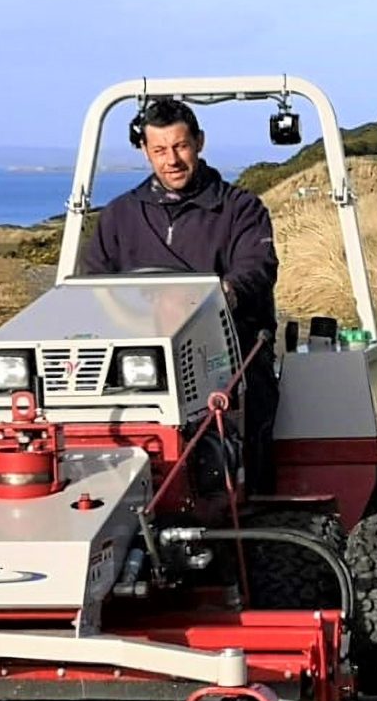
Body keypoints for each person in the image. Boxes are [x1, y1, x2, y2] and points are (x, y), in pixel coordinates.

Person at [79, 98, 280, 492]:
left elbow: (257, 267)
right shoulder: (122, 214)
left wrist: (224, 292)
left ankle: (252, 500)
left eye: (180, 146)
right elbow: (93, 285)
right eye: (159, 150)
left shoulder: (240, 209)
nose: (171, 159)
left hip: (225, 349)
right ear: (145, 151)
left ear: (199, 143)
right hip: (139, 356)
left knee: (250, 397)